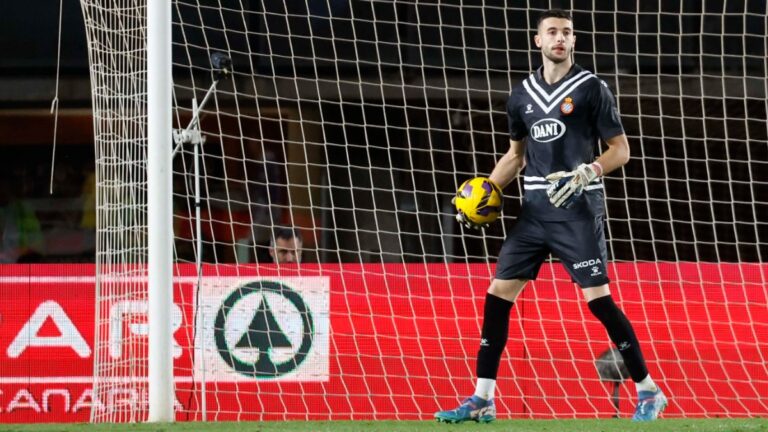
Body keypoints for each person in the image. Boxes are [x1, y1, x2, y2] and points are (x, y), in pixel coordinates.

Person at [435, 9, 667, 423]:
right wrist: (485, 191)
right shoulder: (521, 94)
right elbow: (516, 156)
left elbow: (621, 149)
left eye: (567, 32)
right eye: (552, 32)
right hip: (534, 214)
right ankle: (482, 398)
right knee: (497, 297)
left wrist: (589, 170)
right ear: (537, 41)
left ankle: (648, 391)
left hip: (577, 209)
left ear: (573, 41)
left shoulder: (593, 88)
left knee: (599, 304)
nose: (560, 38)